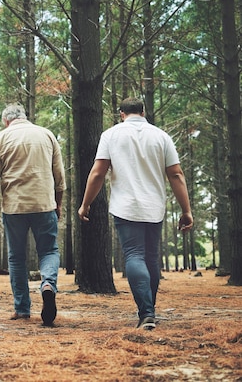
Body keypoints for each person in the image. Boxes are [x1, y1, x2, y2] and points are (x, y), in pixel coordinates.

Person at [78, 97, 193, 330]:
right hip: (154, 207)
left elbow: (98, 173)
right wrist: (186, 210)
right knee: (151, 258)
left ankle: (146, 312)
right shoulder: (161, 136)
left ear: (122, 114)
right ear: (144, 111)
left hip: (126, 206)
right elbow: (176, 174)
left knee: (134, 255)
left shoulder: (110, 135)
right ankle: (149, 309)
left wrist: (85, 203)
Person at [0, 104, 66, 326]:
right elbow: (59, 174)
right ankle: (48, 284)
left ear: (6, 121)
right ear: (24, 117)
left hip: (14, 206)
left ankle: (22, 309)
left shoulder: (0, 138)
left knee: (16, 257)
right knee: (49, 250)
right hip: (43, 203)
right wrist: (58, 203)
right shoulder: (47, 135)